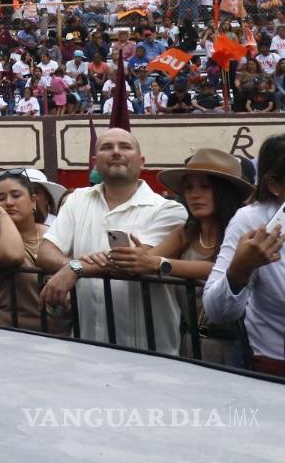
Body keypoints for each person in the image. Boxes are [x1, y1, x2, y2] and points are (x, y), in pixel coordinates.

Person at [38, 128, 187, 354]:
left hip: (151, 352)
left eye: (125, 147)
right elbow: (46, 251)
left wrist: (75, 268)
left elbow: (133, 262)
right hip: (86, 346)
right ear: (95, 162)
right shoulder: (77, 199)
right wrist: (71, 267)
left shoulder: (169, 210)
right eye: (107, 147)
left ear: (142, 161)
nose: (116, 152)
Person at [103, 148, 252, 365]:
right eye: (189, 187)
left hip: (234, 346)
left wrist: (158, 264)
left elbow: (222, 269)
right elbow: (147, 261)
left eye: (205, 186)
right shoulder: (186, 232)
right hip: (188, 342)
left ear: (224, 191)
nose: (194, 194)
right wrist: (130, 258)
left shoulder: (243, 232)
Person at [204, 134, 285, 377]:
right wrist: (239, 270)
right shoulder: (251, 221)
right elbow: (216, 311)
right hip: (271, 368)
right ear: (274, 185)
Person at [0, 170, 70, 336]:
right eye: (1, 199)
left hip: (62, 335)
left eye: (16, 195)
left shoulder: (53, 233)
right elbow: (13, 256)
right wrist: (2, 215)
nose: (9, 202)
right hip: (16, 335)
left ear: (33, 201)